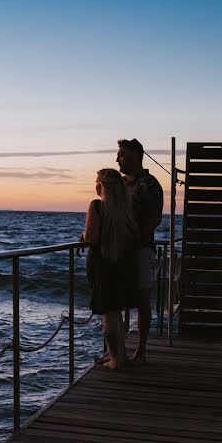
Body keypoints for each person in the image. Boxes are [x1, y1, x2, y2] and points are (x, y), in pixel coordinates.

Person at [82, 169, 139, 370]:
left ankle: (115, 359)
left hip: (104, 265)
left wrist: (82, 234)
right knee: (116, 313)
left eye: (96, 182)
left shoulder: (96, 206)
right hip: (123, 264)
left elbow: (91, 237)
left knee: (108, 316)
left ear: (101, 186)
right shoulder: (125, 209)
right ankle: (118, 354)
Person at [117, 138, 163, 363]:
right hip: (120, 249)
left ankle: (141, 350)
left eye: (122, 154)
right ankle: (118, 350)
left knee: (142, 298)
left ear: (135, 155)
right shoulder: (120, 184)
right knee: (118, 297)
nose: (118, 159)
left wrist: (140, 236)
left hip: (141, 249)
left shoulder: (149, 183)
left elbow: (156, 216)